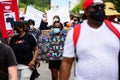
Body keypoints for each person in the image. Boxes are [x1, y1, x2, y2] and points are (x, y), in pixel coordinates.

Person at [59, 0, 120, 80]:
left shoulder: (117, 30)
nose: (99, 9)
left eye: (102, 7)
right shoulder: (74, 33)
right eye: (95, 7)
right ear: (86, 12)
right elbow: (67, 62)